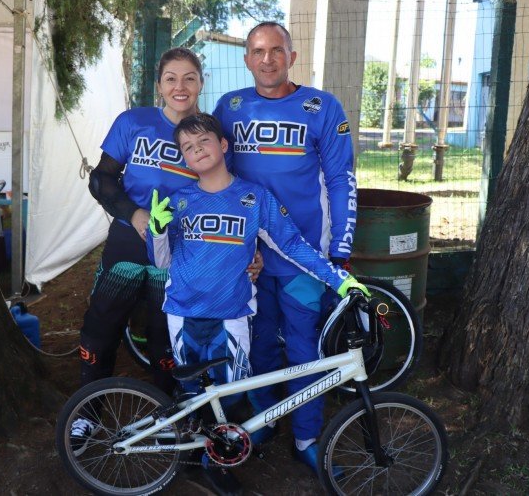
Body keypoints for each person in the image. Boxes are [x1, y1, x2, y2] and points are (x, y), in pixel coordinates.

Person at [146, 113, 368, 496]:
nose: (197, 151)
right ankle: (196, 454)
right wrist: (157, 230)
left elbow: (293, 246)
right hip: (182, 313)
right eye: (188, 148)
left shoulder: (254, 198)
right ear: (183, 158)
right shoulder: (178, 202)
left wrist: (338, 276)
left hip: (232, 315)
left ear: (223, 145)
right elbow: (161, 262)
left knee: (229, 395)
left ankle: (213, 462)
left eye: (204, 142)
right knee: (195, 394)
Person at [73, 48, 262, 443]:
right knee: (100, 329)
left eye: (190, 77)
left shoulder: (210, 134)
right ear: (158, 85)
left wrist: (249, 251)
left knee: (166, 341)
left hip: (181, 254)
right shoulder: (133, 122)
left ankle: (169, 418)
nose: (180, 86)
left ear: (201, 84)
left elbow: (232, 197)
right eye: (171, 78)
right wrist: (136, 215)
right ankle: (87, 413)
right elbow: (101, 179)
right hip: (127, 244)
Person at [212, 22, 358, 471]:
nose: (268, 59)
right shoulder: (229, 107)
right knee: (257, 348)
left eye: (277, 50)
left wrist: (341, 246)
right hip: (249, 258)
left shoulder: (322, 107)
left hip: (302, 257)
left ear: (292, 57)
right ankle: (263, 419)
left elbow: (341, 180)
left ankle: (307, 435)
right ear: (247, 58)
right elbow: (218, 179)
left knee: (303, 349)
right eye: (258, 51)